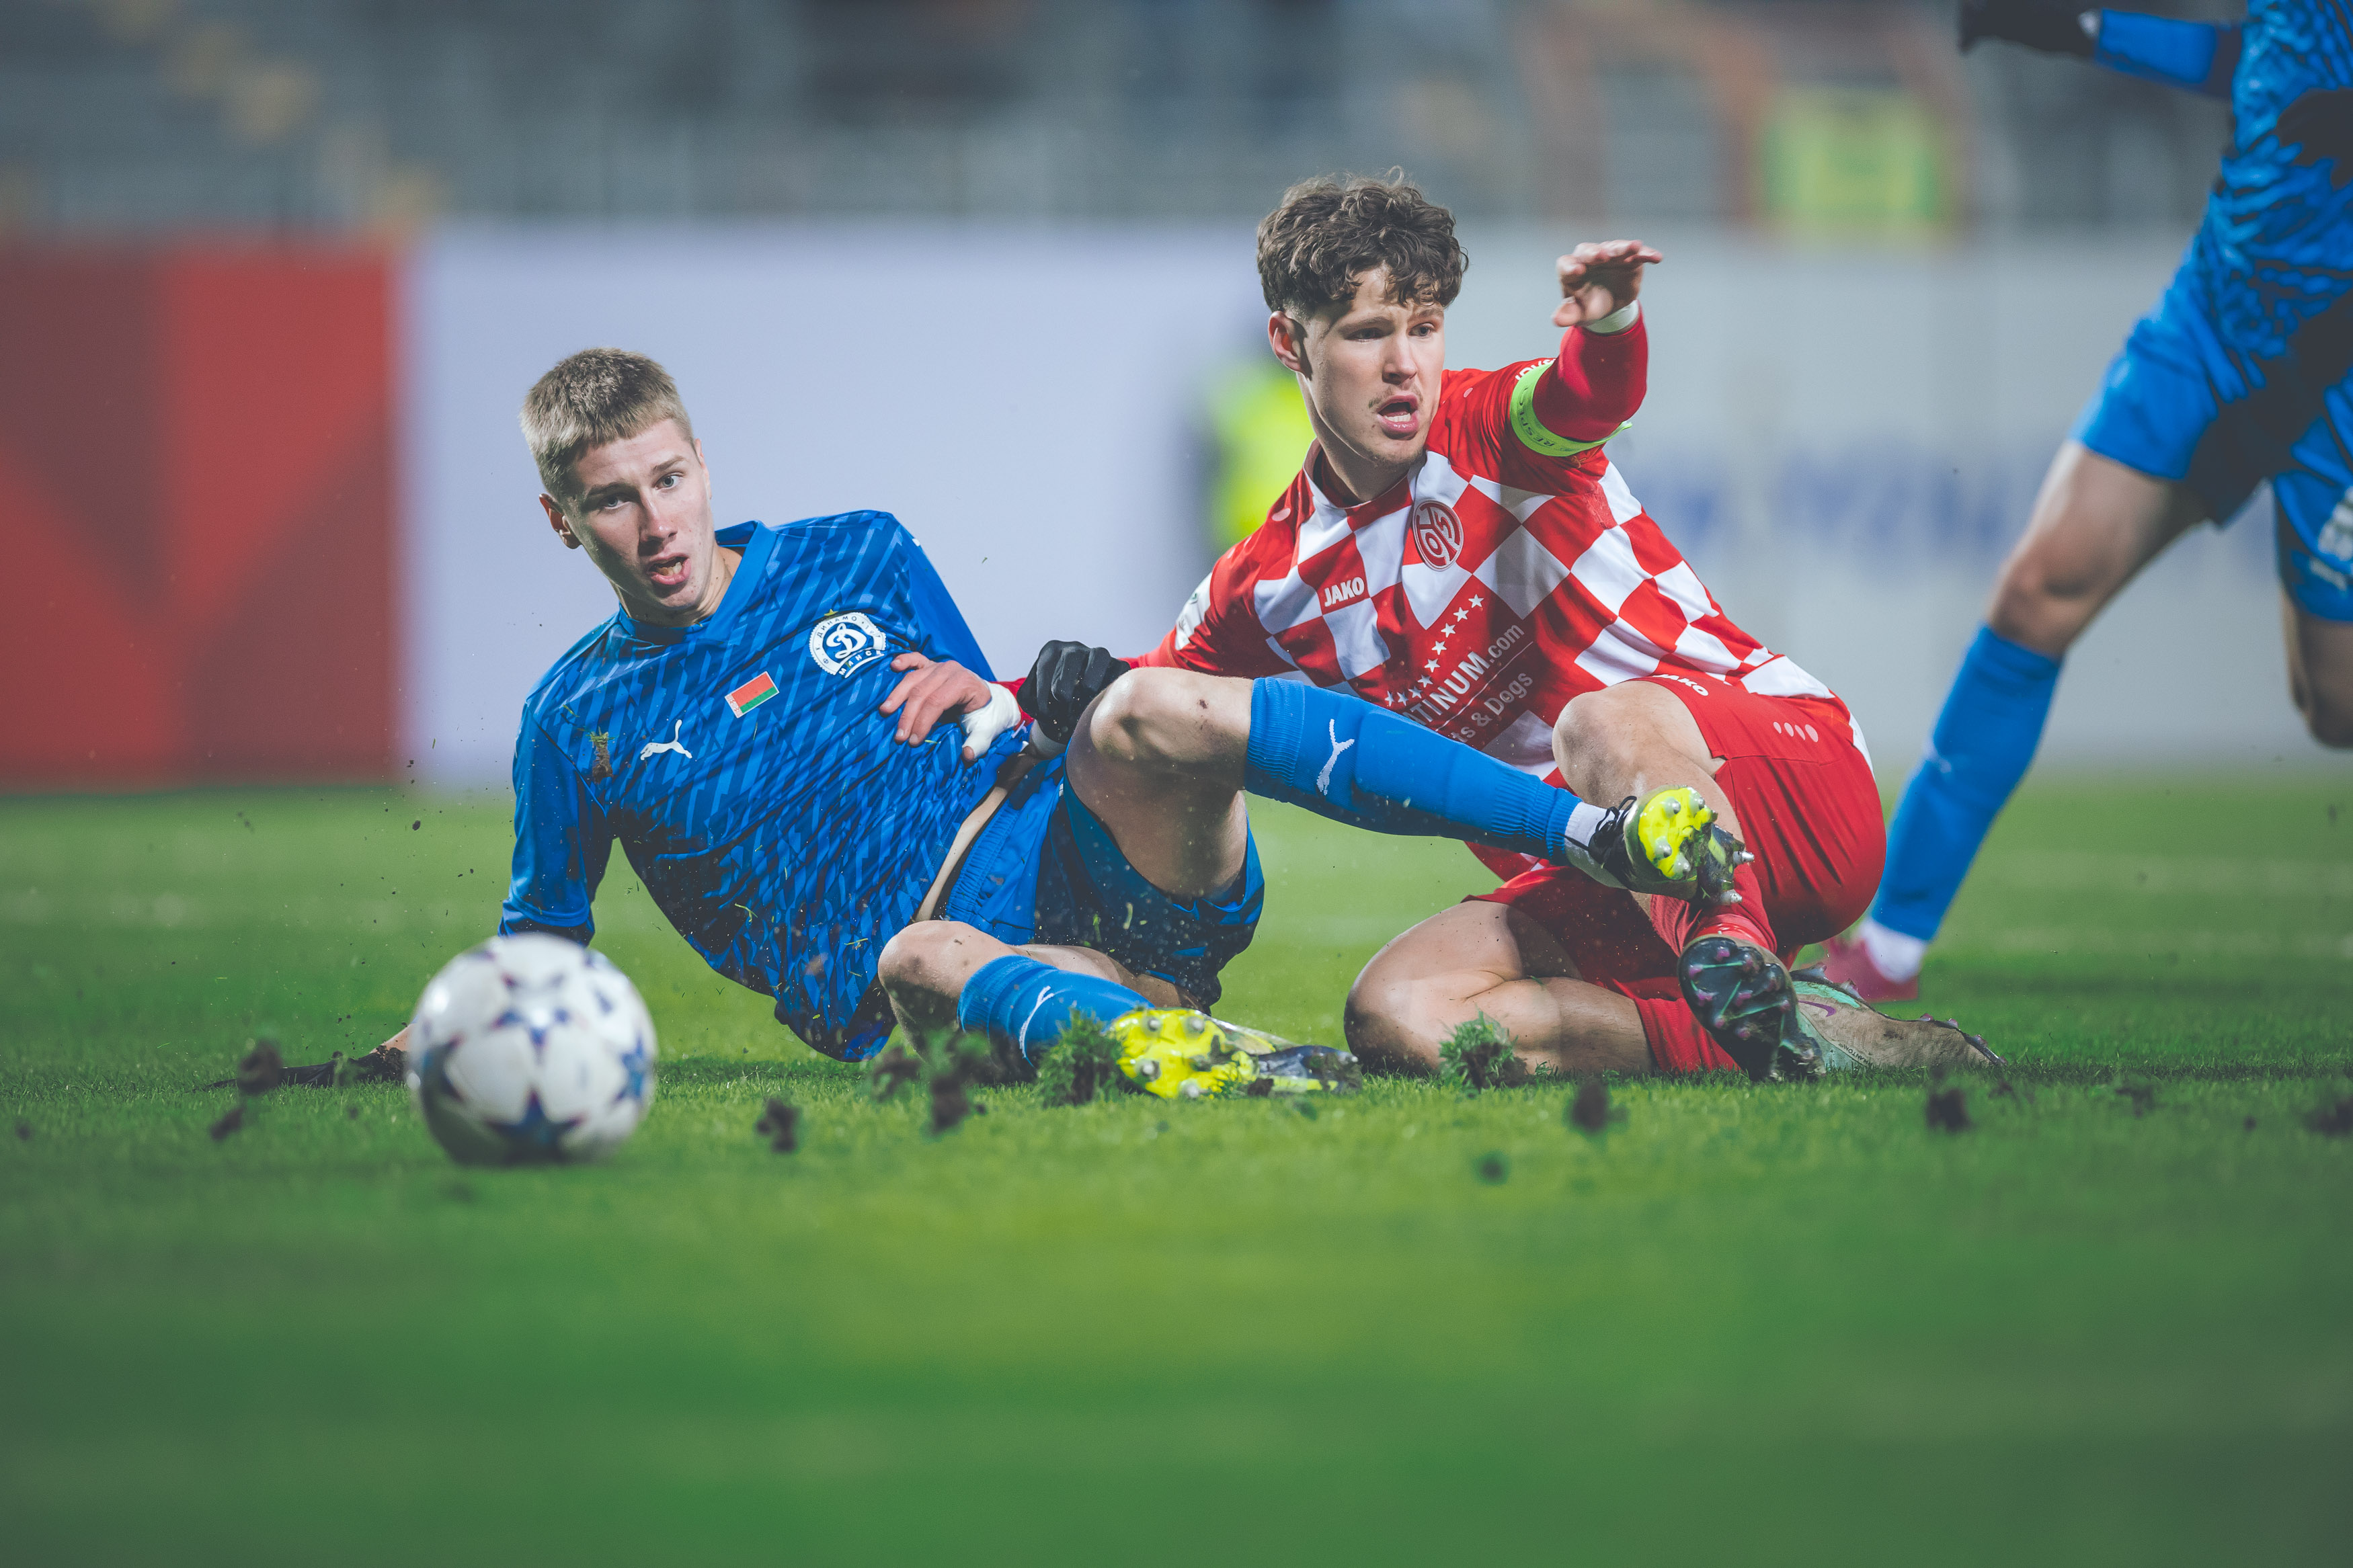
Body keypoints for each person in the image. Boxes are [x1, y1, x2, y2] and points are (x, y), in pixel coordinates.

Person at [327, 347, 1737, 1098]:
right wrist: (455, 1026)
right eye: (614, 503)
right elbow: (546, 936)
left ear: (702, 463)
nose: (656, 525)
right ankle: (1199, 1054)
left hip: (1081, 852)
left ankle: (1596, 830)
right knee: (923, 952)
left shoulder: (855, 555)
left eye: (669, 479)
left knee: (1144, 708)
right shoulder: (575, 719)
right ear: (561, 521)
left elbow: (986, 714)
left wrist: (1044, 704)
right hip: (943, 974)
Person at [1021, 174, 1997, 1082]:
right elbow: (1147, 700)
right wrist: (1029, 689)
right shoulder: (1269, 582)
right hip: (1613, 869)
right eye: (1367, 334)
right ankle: (1814, 1034)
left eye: (1426, 326)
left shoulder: (1496, 428)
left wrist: (1611, 324)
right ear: (1289, 343)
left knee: (1598, 726)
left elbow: (1589, 393)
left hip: (1796, 793)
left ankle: (1729, 936)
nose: (1406, 365)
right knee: (1401, 1011)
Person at [1823, 0, 2353, 1002]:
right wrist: (2087, 30)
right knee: (2036, 591)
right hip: (2214, 323)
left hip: (2336, 376)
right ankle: (1889, 945)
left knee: (2332, 707)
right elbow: (2264, 63)